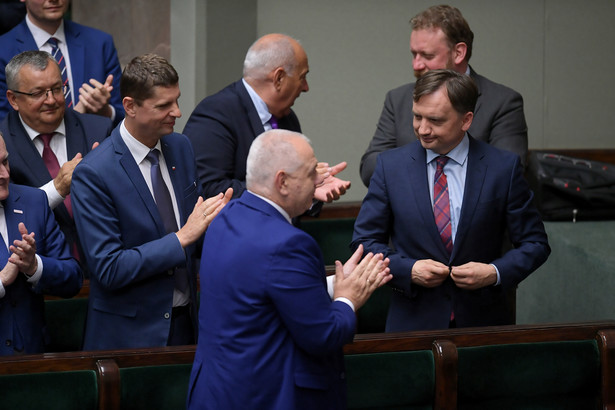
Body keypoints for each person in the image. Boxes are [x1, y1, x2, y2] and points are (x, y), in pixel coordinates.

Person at [187, 129, 391, 410]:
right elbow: (325, 335)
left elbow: (266, 292)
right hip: (267, 396)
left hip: (217, 391)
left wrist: (332, 285)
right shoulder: (289, 243)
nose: (317, 182)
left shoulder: (227, 217)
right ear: (282, 181)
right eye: (310, 175)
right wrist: (349, 299)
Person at [351, 69, 550, 332]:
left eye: (435, 120)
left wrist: (494, 272)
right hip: (413, 326)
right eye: (417, 116)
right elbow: (364, 241)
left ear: (466, 120)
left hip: (484, 326)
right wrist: (408, 269)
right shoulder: (391, 167)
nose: (422, 129)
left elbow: (535, 244)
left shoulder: (502, 168)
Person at [71, 54, 232, 350]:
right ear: (130, 106)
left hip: (188, 322)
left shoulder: (180, 147)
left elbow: (195, 229)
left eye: (177, 100)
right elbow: (109, 268)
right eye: (163, 106)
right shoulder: (94, 173)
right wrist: (181, 238)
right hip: (130, 336)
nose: (178, 112)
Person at [360, 4, 528, 186]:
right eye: (414, 54)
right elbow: (370, 168)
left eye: (427, 55)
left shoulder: (502, 102)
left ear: (458, 53)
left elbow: (507, 173)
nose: (416, 65)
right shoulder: (398, 99)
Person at [183, 33, 350, 206]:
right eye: (302, 77)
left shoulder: (288, 119)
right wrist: (287, 189)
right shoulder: (216, 113)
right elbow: (209, 190)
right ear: (279, 78)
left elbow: (294, 191)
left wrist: (310, 189)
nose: (306, 87)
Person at [1, 50, 112, 271]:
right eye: (38, 93)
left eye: (57, 89)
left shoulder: (98, 131)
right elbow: (8, 213)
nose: (51, 100)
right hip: (36, 274)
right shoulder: (2, 144)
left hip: (101, 269)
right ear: (13, 99)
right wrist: (58, 188)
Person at [0, 130, 82, 355]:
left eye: (5, 161)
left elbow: (73, 278)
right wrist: (1, 280)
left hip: (33, 363)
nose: (5, 174)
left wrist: (35, 266)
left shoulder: (33, 202)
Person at [0, 0, 124, 125]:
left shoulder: (99, 43)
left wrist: (106, 111)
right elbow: (3, 122)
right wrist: (72, 120)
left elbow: (125, 113)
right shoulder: (3, 50)